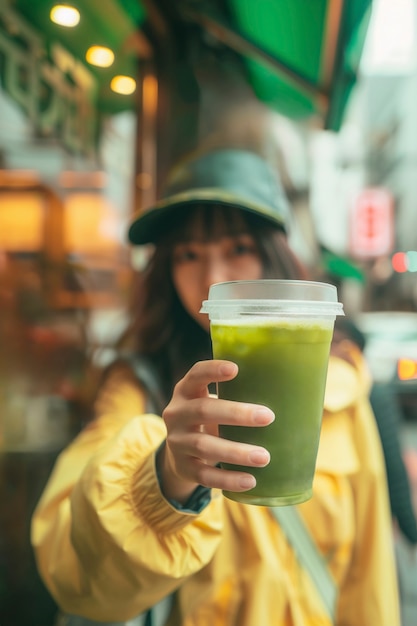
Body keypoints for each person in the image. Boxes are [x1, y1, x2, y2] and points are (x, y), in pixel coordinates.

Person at [31, 148, 401, 626]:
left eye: (238, 248)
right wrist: (163, 478)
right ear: (165, 269)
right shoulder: (139, 388)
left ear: (274, 256)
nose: (212, 278)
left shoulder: (340, 391)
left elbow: (369, 580)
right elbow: (73, 570)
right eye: (188, 255)